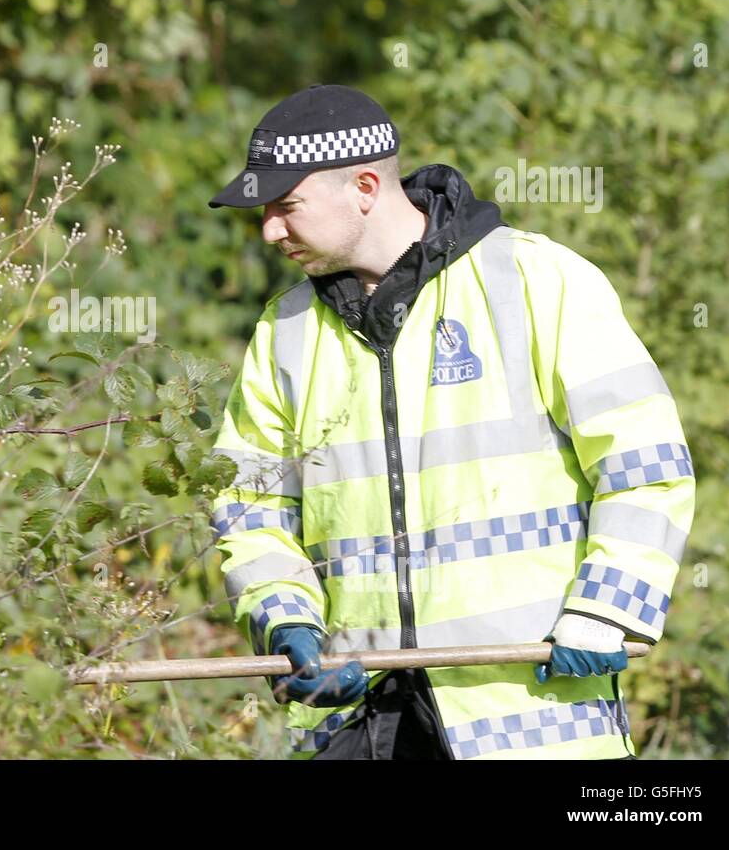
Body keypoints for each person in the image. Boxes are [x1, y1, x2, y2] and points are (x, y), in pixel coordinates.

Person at [206, 84, 695, 759]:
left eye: (287, 206)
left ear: (367, 187)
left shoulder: (536, 280)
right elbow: (248, 505)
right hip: (356, 722)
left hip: (526, 720)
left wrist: (606, 609)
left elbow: (647, 467)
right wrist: (286, 621)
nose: (269, 229)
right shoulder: (283, 330)